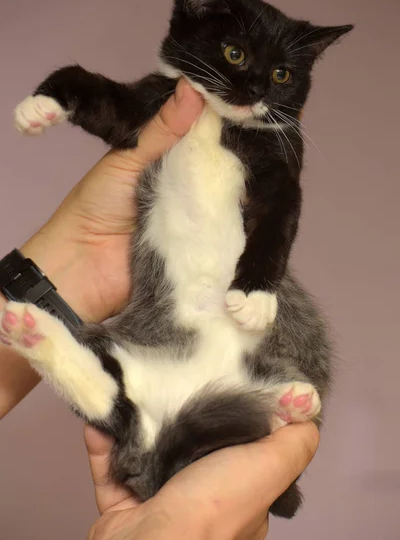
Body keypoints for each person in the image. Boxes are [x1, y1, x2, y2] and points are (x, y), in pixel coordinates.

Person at [0, 79, 319, 540]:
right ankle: (69, 363)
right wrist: (64, 96)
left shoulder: (258, 133)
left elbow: (280, 202)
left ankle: (61, 358)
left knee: (131, 397)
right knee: (137, 393)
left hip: (204, 351)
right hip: (198, 352)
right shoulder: (172, 102)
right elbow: (118, 109)